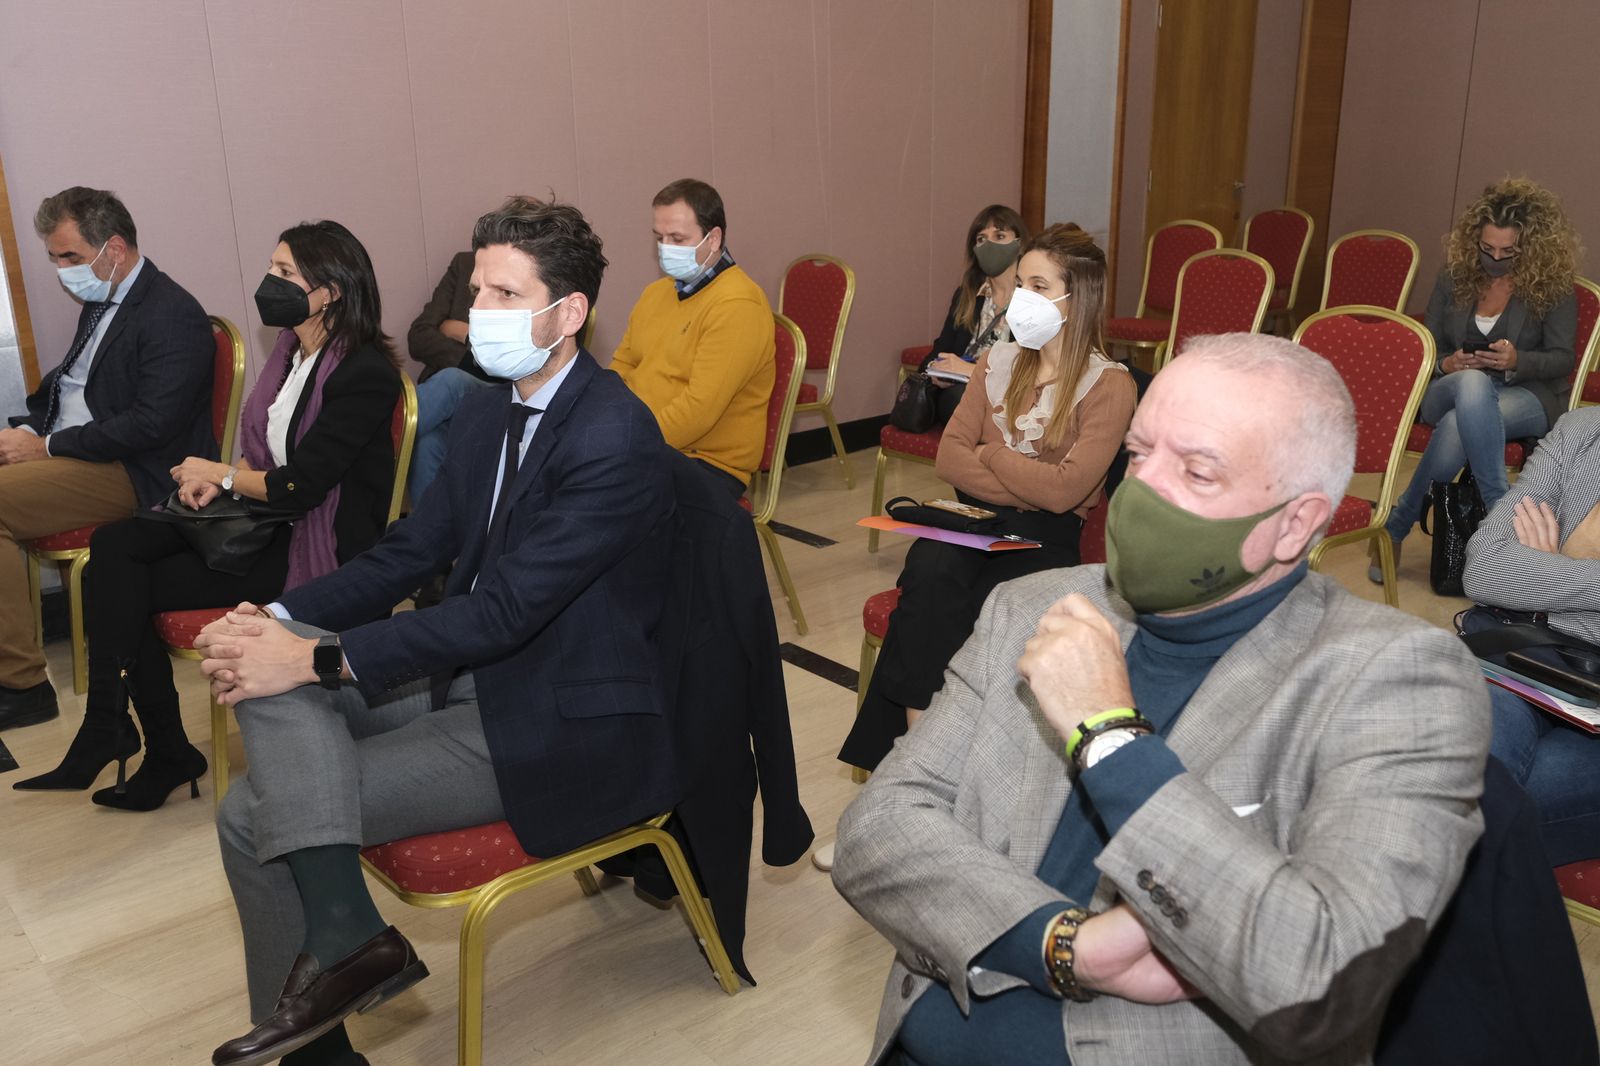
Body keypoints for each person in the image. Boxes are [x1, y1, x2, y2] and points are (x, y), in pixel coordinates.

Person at [833, 332, 1491, 1065]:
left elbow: (1320, 983)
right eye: (1141, 455)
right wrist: (1062, 945)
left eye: (1198, 471)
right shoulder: (1035, 607)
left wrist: (1112, 738)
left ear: (1296, 523)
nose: (1144, 492)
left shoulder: (1393, 680)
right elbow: (877, 829)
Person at [196, 195, 679, 1066]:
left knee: (251, 811)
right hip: (463, 680)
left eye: (502, 295)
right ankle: (344, 947)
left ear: (568, 315)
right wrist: (273, 620)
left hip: (551, 719)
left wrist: (315, 654)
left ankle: (330, 999)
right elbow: (410, 547)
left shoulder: (616, 437)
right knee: (268, 664)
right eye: (478, 290)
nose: (477, 315)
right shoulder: (494, 408)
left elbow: (502, 614)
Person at [13, 221, 402, 810]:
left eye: (286, 273)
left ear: (331, 291)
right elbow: (266, 449)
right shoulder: (293, 356)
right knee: (113, 555)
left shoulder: (364, 372)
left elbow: (300, 484)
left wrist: (221, 474)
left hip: (310, 543)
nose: (270, 282)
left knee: (118, 582)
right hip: (262, 519)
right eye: (273, 268)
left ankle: (144, 742)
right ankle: (121, 729)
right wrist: (216, 482)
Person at [838, 223, 1135, 776]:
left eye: (1039, 286)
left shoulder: (1109, 384)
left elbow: (1067, 493)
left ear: (1079, 298)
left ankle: (929, 775)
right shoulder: (1000, 359)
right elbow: (950, 459)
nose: (1021, 297)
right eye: (1020, 283)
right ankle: (919, 766)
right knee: (930, 562)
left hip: (1048, 539)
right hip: (982, 519)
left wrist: (993, 455)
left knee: (958, 597)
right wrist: (1025, 468)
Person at [0, 186, 213, 729]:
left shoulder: (171, 312)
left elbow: (150, 425)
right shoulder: (105, 300)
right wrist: (27, 433)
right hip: (76, 453)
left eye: (69, 256)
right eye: (53, 257)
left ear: (113, 248)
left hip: (135, 471)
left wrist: (43, 446)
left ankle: (22, 686)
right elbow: (73, 389)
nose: (61, 270)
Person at [1377, 177, 1580, 579]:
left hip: (1525, 392)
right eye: (1488, 249)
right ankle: (1500, 515)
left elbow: (1562, 359)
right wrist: (1446, 364)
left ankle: (1394, 528)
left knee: (1460, 421)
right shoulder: (1452, 277)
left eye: (1508, 252)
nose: (1495, 258)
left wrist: (1517, 359)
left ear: (1531, 247)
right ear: (1475, 241)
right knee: (1471, 385)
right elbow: (1426, 343)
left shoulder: (1553, 286)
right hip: (1449, 387)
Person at [1463, 405, 1600, 866]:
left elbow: (1515, 577)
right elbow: (1483, 569)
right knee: (1461, 778)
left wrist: (1548, 573)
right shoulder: (1583, 432)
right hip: (1529, 663)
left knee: (1464, 818)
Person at [610, 178, 775, 498]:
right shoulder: (656, 293)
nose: (665, 248)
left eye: (678, 238)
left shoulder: (738, 305)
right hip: (648, 443)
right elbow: (623, 364)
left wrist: (628, 442)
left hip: (705, 463)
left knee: (592, 501)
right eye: (660, 237)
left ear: (713, 239)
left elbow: (698, 411)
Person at [919, 205, 1030, 424]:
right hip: (960, 393)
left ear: (1020, 244)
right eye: (981, 239)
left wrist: (974, 371)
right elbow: (937, 353)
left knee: (961, 401)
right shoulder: (967, 295)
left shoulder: (1032, 299)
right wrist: (938, 371)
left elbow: (1032, 368)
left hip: (1010, 395)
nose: (989, 244)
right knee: (957, 399)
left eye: (999, 236)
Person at [406, 249, 492, 506]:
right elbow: (419, 337)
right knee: (427, 445)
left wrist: (465, 331)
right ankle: (430, 541)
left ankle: (376, 450)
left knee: (452, 380)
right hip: (449, 399)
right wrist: (468, 355)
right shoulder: (465, 264)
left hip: (503, 389)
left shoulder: (543, 277)